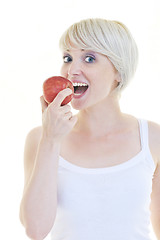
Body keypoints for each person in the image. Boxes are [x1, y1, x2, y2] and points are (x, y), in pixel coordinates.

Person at [19, 18, 160, 240]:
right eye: (67, 58)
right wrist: (51, 139)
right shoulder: (40, 138)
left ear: (119, 72)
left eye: (89, 58)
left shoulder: (152, 138)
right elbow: (35, 229)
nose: (71, 70)